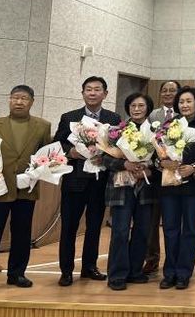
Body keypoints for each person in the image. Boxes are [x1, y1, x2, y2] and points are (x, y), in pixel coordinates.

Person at [55, 76, 122, 287]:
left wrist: (107, 155)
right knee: (69, 227)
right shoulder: (69, 117)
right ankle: (66, 271)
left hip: (100, 182)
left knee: (94, 227)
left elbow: (118, 147)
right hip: (74, 181)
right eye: (88, 89)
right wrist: (71, 152)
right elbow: (57, 144)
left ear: (105, 94)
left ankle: (89, 267)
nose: (92, 93)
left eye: (97, 89)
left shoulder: (113, 118)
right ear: (83, 93)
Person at [0, 85, 52, 287]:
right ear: (9, 99)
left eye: (24, 98)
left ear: (32, 102)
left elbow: (47, 156)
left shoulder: (43, 126)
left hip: (27, 187)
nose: (19, 102)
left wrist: (34, 175)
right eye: (15, 97)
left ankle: (17, 273)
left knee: (22, 232)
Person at [158, 86, 195, 290]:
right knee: (170, 229)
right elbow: (157, 153)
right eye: (181, 102)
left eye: (189, 101)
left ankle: (183, 273)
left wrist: (194, 168)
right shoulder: (168, 125)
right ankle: (169, 272)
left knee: (190, 229)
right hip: (170, 185)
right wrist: (163, 162)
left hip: (193, 187)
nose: (185, 105)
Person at [104, 93, 158, 291]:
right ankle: (117, 274)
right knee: (120, 231)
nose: (137, 109)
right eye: (133, 105)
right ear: (128, 108)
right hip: (122, 187)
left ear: (148, 108)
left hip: (146, 187)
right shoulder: (117, 131)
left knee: (142, 231)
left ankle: (135, 271)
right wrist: (124, 164)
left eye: (141, 105)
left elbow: (163, 159)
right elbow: (105, 158)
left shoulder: (156, 132)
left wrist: (150, 169)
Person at [144, 80, 181, 277]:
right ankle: (152, 258)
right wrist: (159, 163)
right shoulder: (152, 116)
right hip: (156, 175)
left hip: (179, 176)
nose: (168, 93)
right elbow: (146, 145)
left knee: (173, 223)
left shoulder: (184, 114)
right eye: (164, 90)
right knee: (152, 220)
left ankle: (174, 261)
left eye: (172, 90)